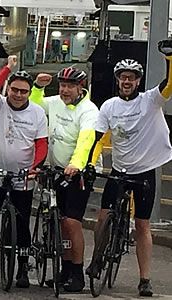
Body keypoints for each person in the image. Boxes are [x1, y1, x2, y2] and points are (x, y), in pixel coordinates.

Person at [86, 52, 172, 297]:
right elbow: (98, 139)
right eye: (123, 77)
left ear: (138, 81)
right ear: (117, 80)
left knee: (143, 226)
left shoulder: (150, 100)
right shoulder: (109, 106)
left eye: (132, 78)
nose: (127, 81)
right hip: (119, 170)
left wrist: (170, 59)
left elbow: (169, 85)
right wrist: (91, 164)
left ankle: (144, 279)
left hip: (145, 171)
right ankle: (98, 258)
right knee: (103, 218)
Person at [0, 56, 48, 288]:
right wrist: (7, 68)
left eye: (24, 91)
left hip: (23, 178)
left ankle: (22, 270)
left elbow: (41, 144)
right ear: (8, 88)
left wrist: (35, 168)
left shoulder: (37, 113)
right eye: (14, 89)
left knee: (23, 224)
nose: (18, 95)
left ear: (29, 93)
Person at [30, 66, 98, 292]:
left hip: (79, 171)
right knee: (59, 221)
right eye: (62, 85)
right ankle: (65, 269)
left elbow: (86, 140)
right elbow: (34, 106)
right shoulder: (56, 102)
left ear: (81, 88)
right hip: (57, 169)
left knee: (71, 221)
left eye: (70, 86)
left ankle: (77, 272)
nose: (65, 90)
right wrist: (38, 87)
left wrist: (76, 164)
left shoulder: (89, 110)